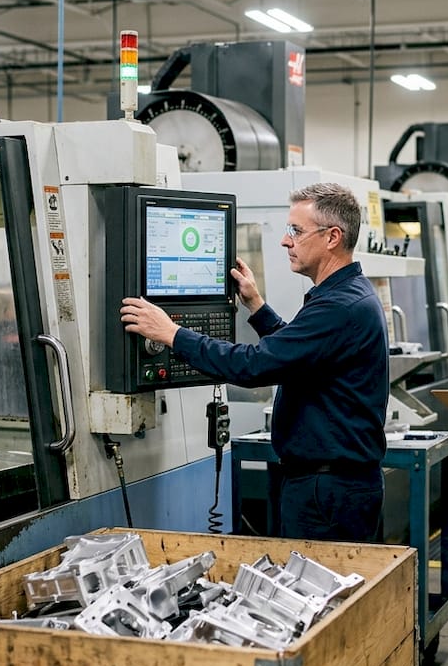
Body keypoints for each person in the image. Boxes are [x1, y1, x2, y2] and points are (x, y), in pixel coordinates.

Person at [119, 183, 389, 542]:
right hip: (331, 486)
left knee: (315, 594)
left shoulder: (340, 306)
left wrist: (172, 334)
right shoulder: (346, 296)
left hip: (328, 492)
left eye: (296, 230)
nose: (285, 241)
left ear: (332, 237)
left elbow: (254, 366)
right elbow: (297, 357)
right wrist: (257, 307)